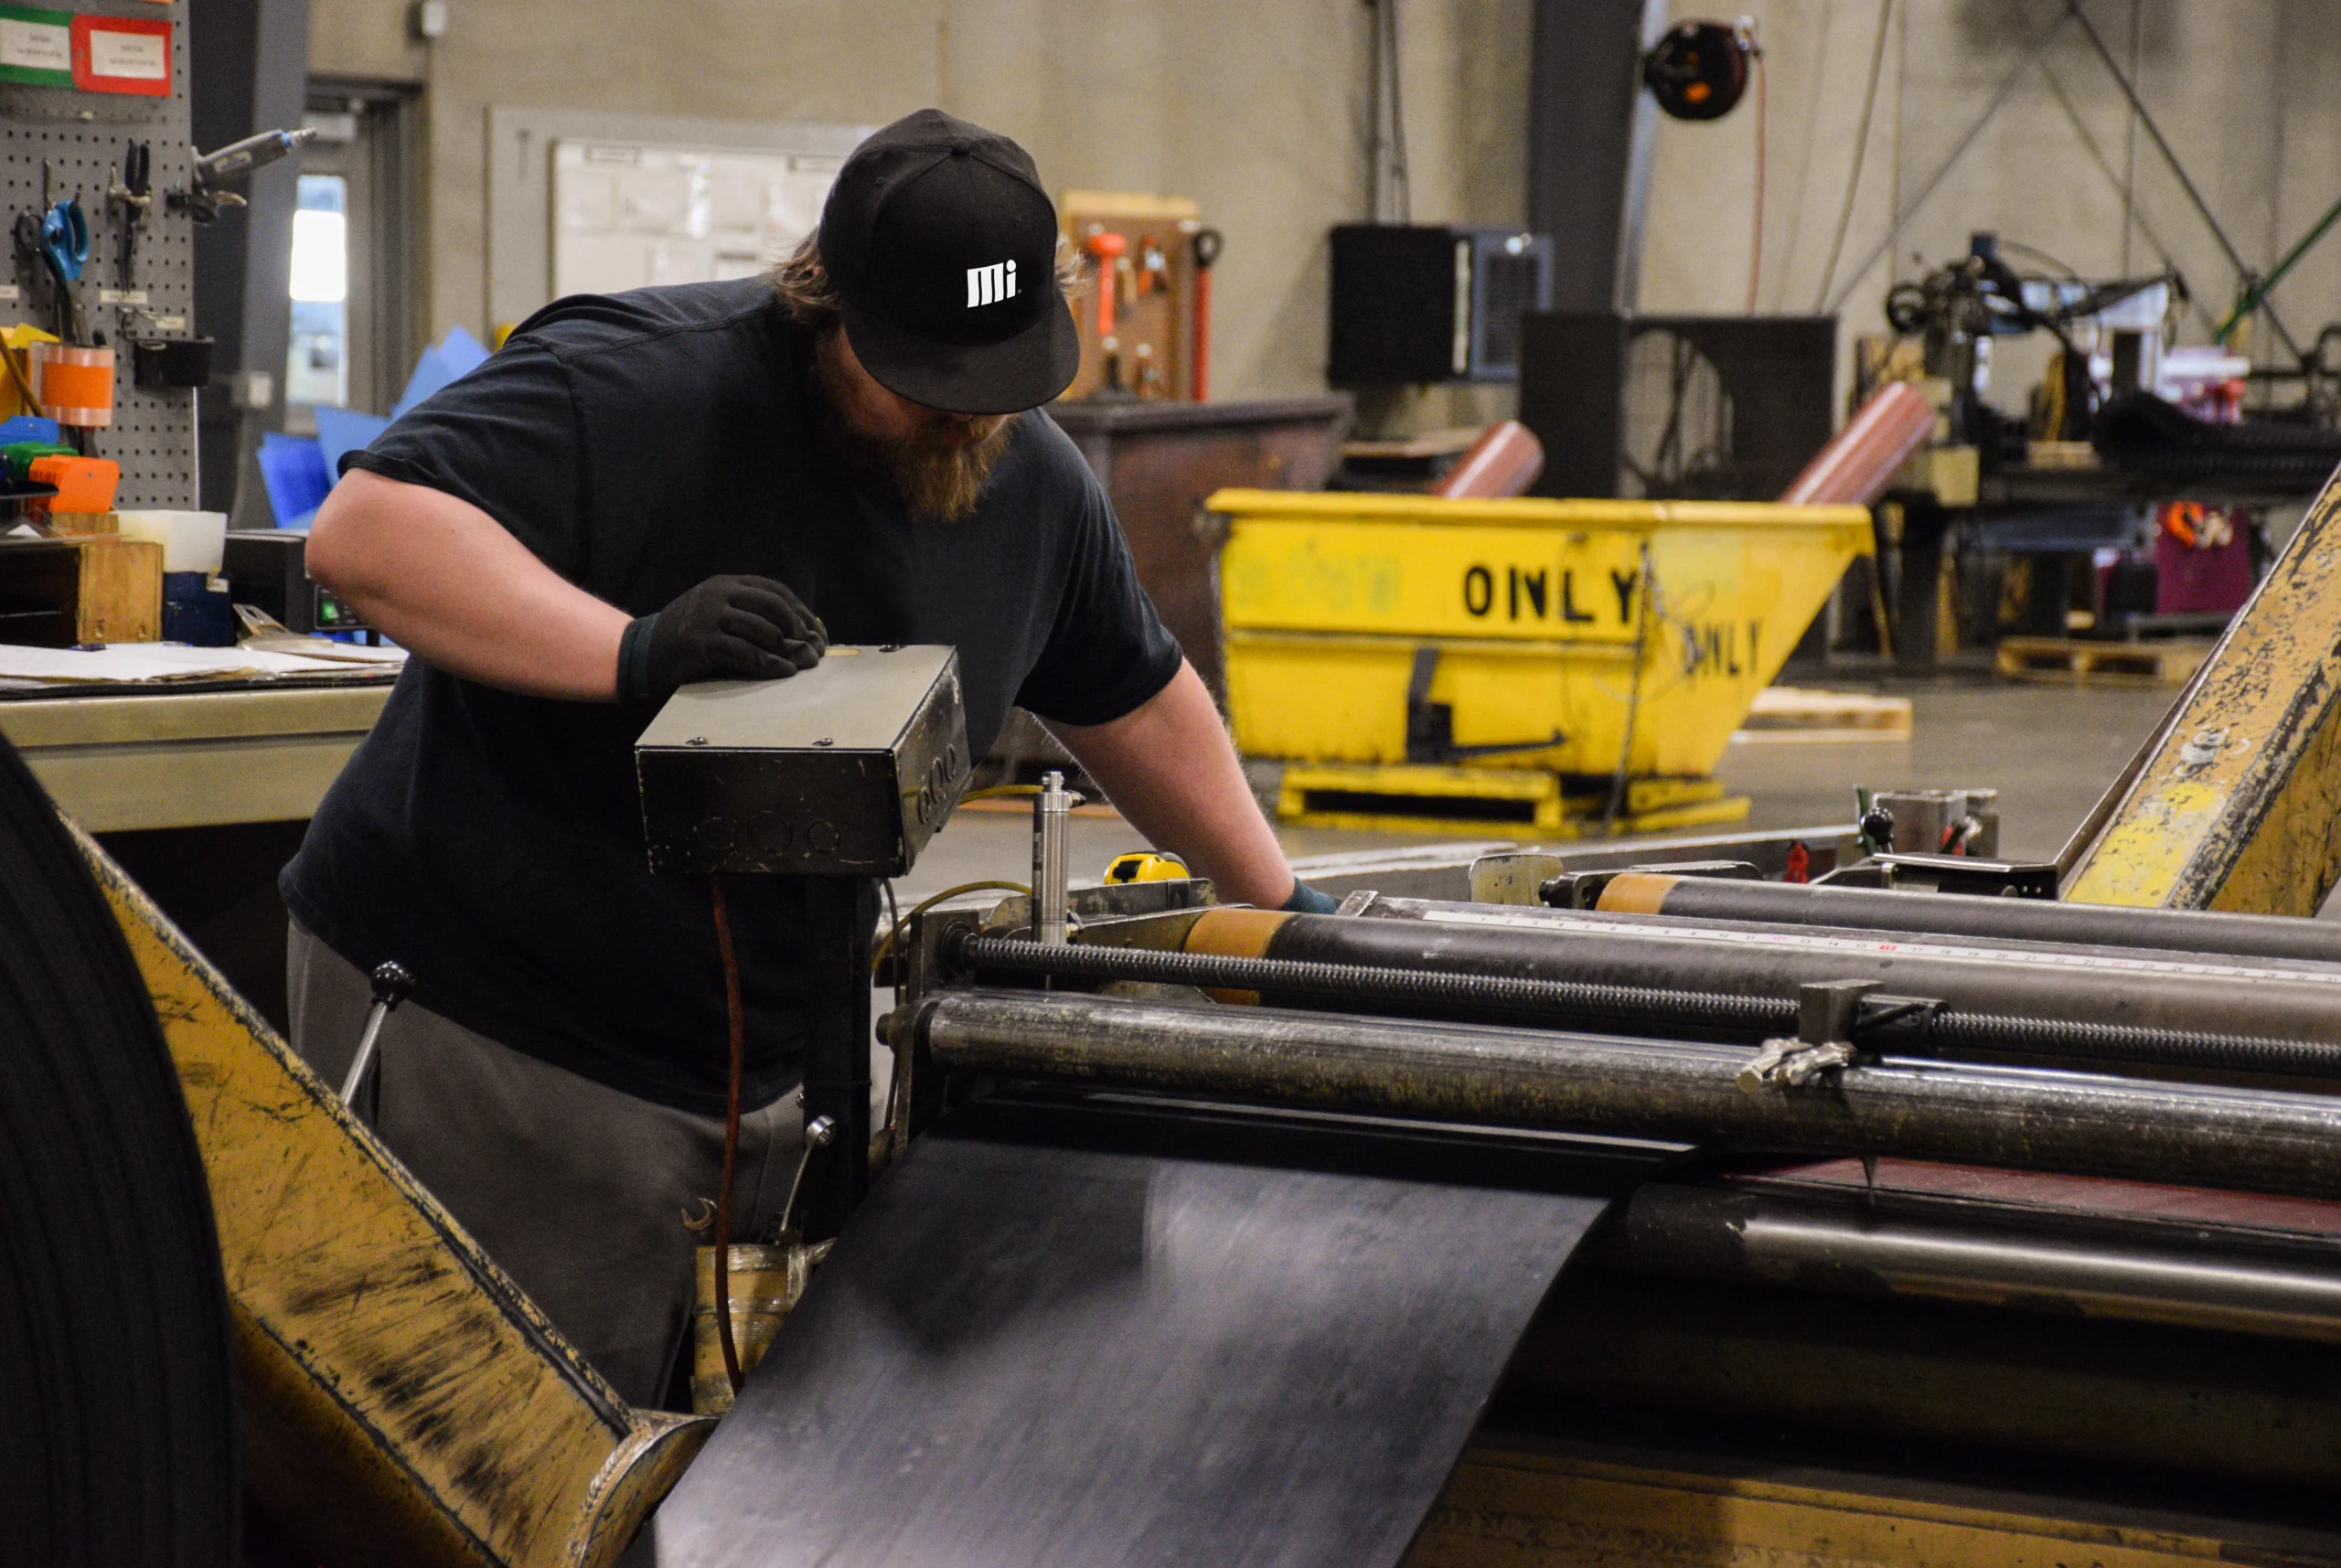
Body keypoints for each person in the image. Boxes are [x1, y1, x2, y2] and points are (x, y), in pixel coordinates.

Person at [282, 108, 1329, 1409]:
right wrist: (634, 646)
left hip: (771, 1070)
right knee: (500, 1457)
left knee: (717, 1460)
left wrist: (1276, 913)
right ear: (827, 304)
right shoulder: (641, 382)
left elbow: (1133, 690)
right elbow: (367, 536)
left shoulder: (1030, 480)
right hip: (496, 1029)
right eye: (925, 379)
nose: (963, 418)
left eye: (995, 379)